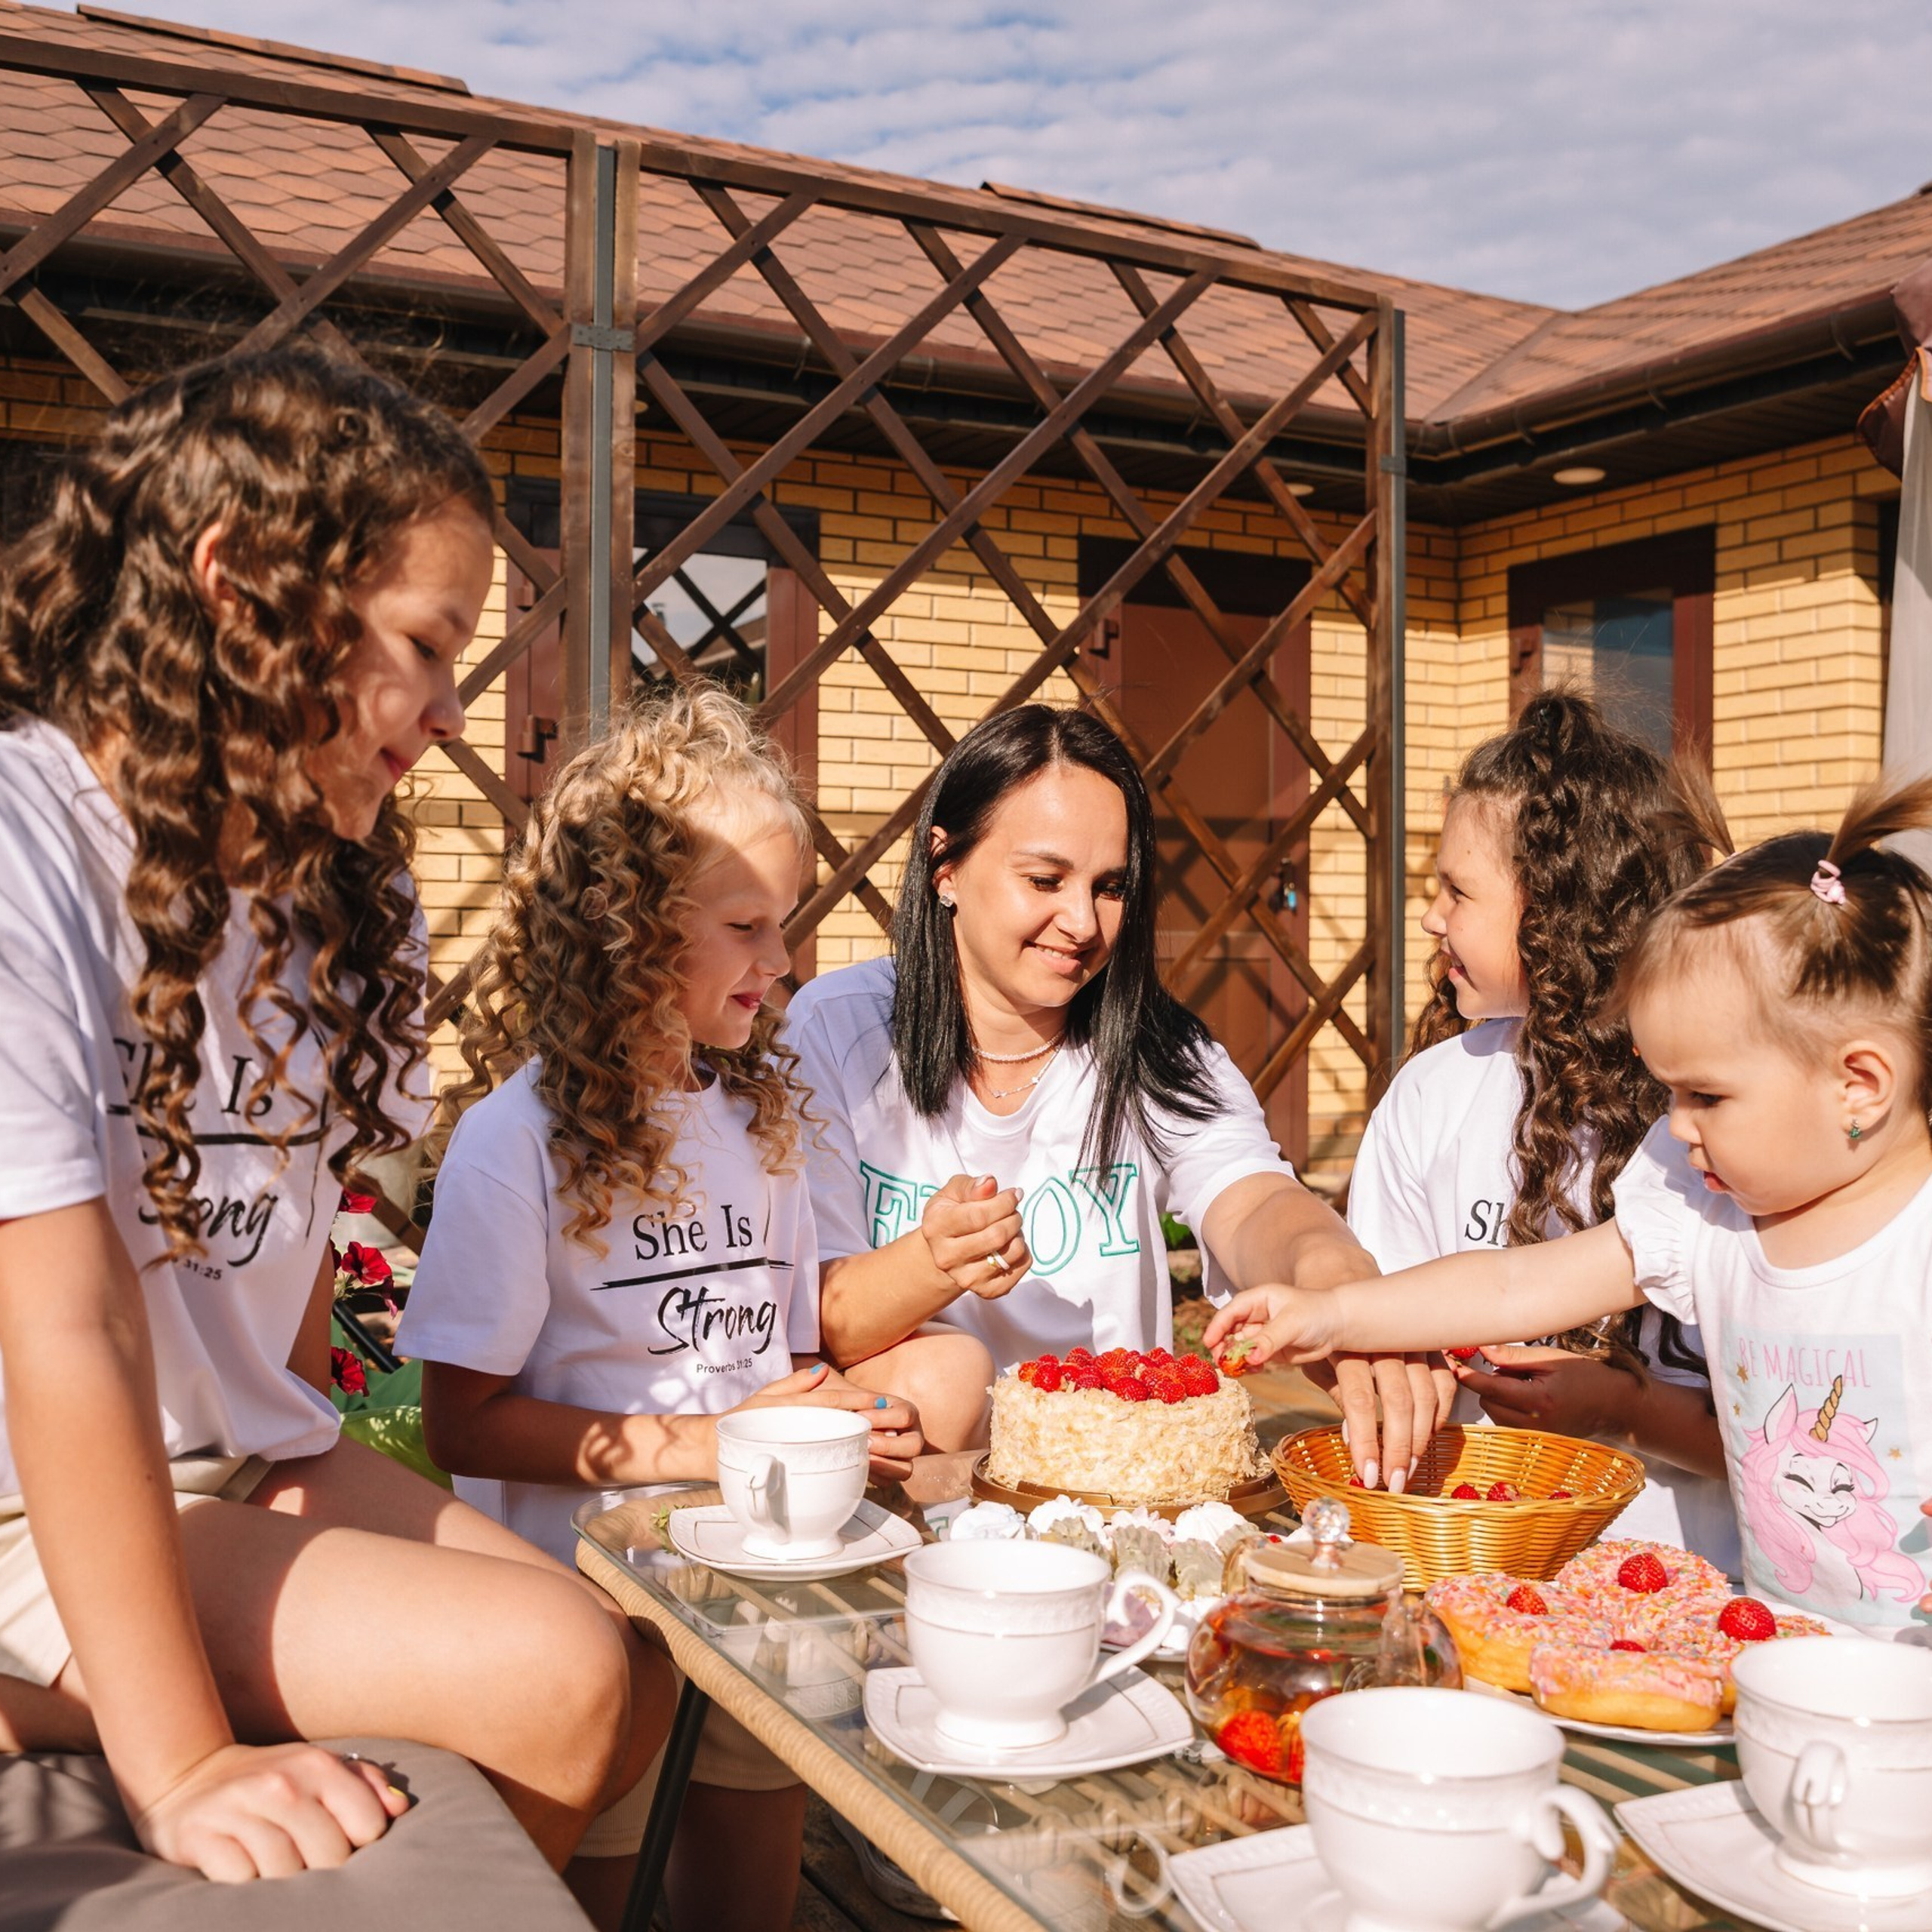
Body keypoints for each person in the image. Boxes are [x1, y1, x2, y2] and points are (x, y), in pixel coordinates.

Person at [0, 348, 669, 1895]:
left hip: (225, 1460)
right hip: (37, 1490)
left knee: (631, 1655)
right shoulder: (32, 842)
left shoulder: (348, 899)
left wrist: (297, 1471)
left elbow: (295, 1307)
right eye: (427, 648)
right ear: (239, 589)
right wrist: (179, 1760)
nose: (448, 715)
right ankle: (87, 1708)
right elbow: (68, 1329)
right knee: (550, 1673)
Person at [398, 684, 926, 1932]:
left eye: (785, 923)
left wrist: (842, 1416)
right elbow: (461, 1428)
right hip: (587, 1611)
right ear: (627, 929)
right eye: (747, 924)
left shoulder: (766, 1120)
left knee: (752, 1887)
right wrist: (712, 1445)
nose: (783, 960)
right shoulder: (514, 1143)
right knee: (598, 1892)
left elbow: (786, 1350)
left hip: (761, 1590)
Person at [1208, 776, 1932, 1631]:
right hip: (1781, 1663)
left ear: (1859, 1086)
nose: (1675, 1126)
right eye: (1668, 1092)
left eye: (1706, 1096)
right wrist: (1332, 1314)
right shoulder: (1705, 1217)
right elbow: (1513, 1286)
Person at [786, 704, 1441, 1470]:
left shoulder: (1158, 1046)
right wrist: (930, 1260)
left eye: (1109, 886)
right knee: (941, 1375)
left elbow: (1257, 1200)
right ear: (946, 865)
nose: (1082, 922)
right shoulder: (838, 1026)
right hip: (918, 1481)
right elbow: (817, 1315)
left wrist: (1339, 1284)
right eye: (1044, 879)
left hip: (1115, 1477)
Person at [1348, 692, 1737, 1567]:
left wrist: (1618, 1407)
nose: (1429, 917)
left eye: (1457, 890)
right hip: (1481, 1561)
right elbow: (1388, 1341)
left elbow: (1792, 1443)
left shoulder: (1712, 1117)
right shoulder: (1429, 1095)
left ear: (1566, 906)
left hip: (1698, 1575)